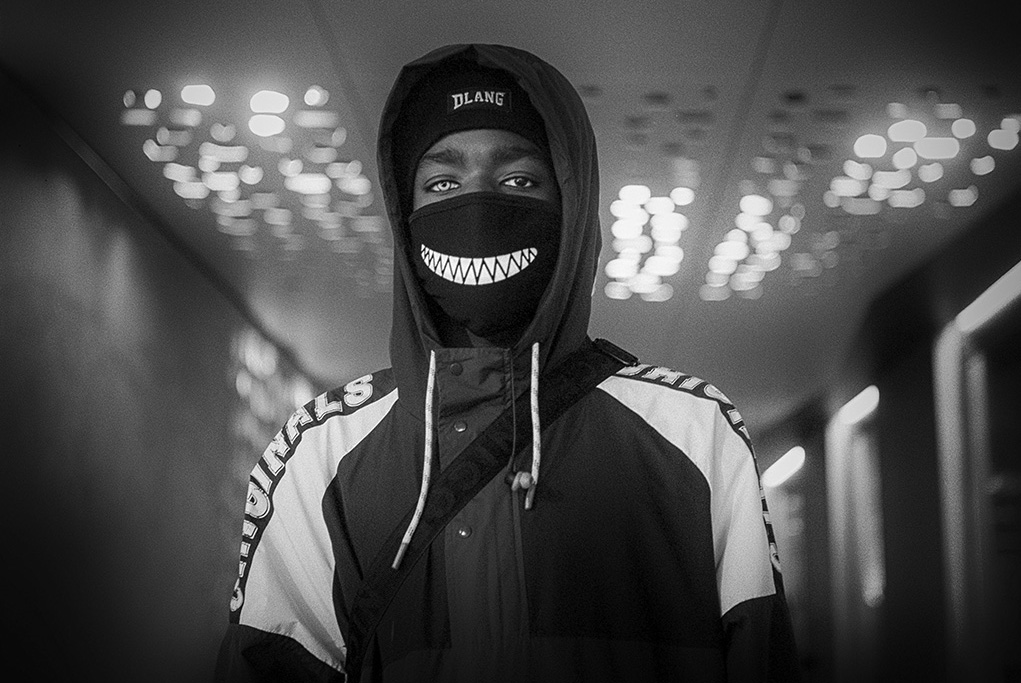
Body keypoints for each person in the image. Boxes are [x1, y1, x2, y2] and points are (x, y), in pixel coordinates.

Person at [216, 43, 799, 682]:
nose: (478, 208)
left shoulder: (695, 434)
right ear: (405, 218)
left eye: (519, 180)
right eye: (442, 184)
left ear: (571, 209)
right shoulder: (323, 452)